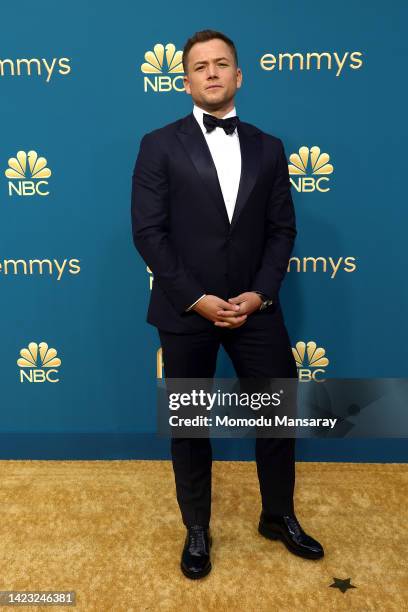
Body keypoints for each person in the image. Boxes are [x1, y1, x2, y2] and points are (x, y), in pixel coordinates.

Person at [131, 29, 324, 579]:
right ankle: (197, 527)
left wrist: (259, 294)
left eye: (222, 64)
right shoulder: (157, 144)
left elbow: (282, 230)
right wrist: (196, 299)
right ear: (185, 79)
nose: (211, 73)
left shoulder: (269, 146)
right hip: (185, 311)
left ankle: (278, 514)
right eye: (200, 66)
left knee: (278, 414)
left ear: (238, 76)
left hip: (255, 310)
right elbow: (148, 233)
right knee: (191, 425)